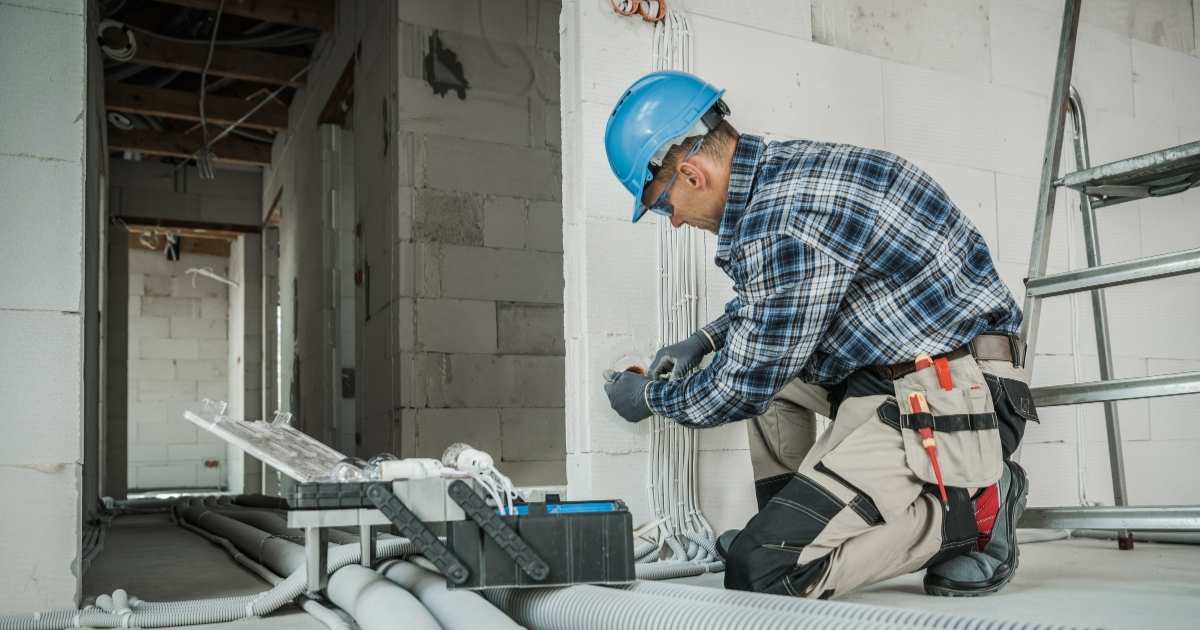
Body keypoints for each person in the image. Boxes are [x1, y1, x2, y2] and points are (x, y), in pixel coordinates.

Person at [601, 71, 1040, 599]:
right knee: (769, 376)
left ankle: (981, 509)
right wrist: (706, 340)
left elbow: (744, 383)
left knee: (761, 572)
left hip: (961, 395)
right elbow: (778, 305)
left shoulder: (784, 220)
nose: (671, 223)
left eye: (663, 207)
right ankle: (788, 527)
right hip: (896, 375)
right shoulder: (780, 175)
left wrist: (650, 397)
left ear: (692, 174)